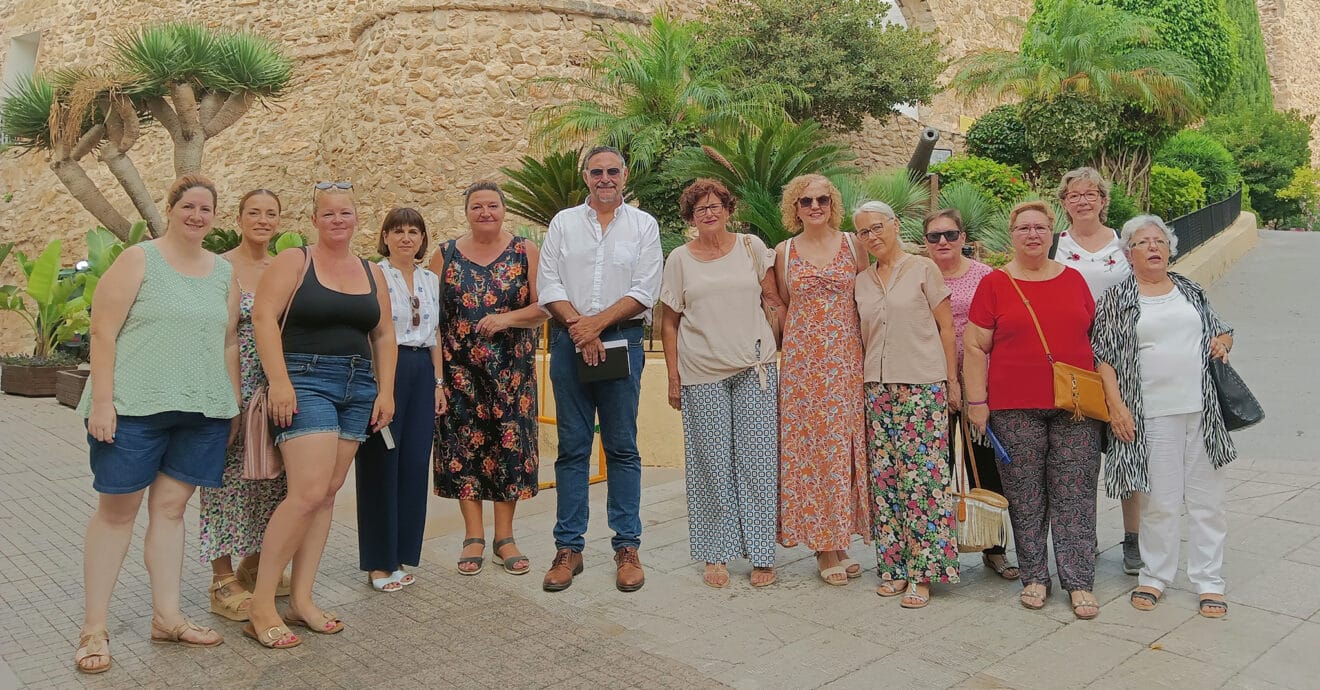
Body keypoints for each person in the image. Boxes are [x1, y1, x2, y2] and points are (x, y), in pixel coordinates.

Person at [75, 175, 239, 673]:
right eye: (188, 206)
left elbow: (228, 342)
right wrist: (103, 403)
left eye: (205, 209)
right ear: (170, 209)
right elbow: (103, 332)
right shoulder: (138, 260)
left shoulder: (222, 273)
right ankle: (94, 627)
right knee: (117, 513)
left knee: (171, 511)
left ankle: (167, 618)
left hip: (200, 412)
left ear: (214, 217)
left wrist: (230, 403)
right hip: (133, 408)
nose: (196, 215)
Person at [245, 181, 396, 648]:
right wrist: (279, 381)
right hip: (304, 379)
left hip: (358, 385)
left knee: (327, 494)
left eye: (345, 213)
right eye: (328, 213)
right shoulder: (295, 260)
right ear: (314, 220)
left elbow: (384, 334)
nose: (337, 220)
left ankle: (301, 599)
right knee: (307, 492)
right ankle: (261, 603)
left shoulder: (372, 272)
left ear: (357, 219)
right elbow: (263, 318)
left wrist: (386, 391)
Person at [963, 200, 1104, 620]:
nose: (1032, 234)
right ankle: (1035, 577)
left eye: (1040, 227)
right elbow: (975, 345)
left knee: (1076, 493)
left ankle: (1079, 581)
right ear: (1012, 235)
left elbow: (1094, 337)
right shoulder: (995, 284)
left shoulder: (1074, 280)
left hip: (1075, 406)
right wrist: (977, 402)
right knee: (1025, 496)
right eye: (1024, 228)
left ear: (1052, 233)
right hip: (1013, 406)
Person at [1092, 215, 1236, 619]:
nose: (1153, 247)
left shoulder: (1189, 289)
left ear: (1169, 249)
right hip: (1151, 415)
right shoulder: (1117, 297)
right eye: (1143, 242)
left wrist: (1223, 342)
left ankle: (1209, 581)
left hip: (1203, 412)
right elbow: (1103, 357)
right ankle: (1155, 576)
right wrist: (1116, 407)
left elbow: (1222, 330)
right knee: (1160, 502)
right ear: (1129, 254)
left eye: (1159, 241)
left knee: (1208, 502)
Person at [538, 146, 663, 593]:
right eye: (597, 171)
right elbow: (548, 283)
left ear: (624, 176)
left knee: (622, 447)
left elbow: (645, 289)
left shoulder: (643, 226)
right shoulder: (563, 223)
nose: (605, 178)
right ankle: (568, 549)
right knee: (572, 448)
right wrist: (581, 328)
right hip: (569, 342)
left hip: (622, 341)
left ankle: (627, 547)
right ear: (585, 177)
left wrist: (595, 325)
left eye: (612, 171)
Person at [660, 179, 781, 589]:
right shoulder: (679, 259)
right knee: (711, 465)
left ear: (729, 210)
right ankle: (717, 553)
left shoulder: (751, 247)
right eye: (701, 209)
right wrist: (673, 376)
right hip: (701, 372)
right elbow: (669, 322)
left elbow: (773, 300)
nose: (709, 213)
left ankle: (762, 554)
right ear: (691, 218)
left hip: (755, 367)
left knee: (758, 463)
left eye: (716, 206)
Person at [430, 182, 546, 576]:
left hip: (511, 375)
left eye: (492, 205)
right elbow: (431, 318)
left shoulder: (525, 251)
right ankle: (473, 536)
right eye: (477, 206)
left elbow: (544, 306)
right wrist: (438, 380)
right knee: (464, 451)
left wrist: (506, 319)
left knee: (508, 450)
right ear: (466, 212)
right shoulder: (445, 254)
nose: (485, 212)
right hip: (459, 374)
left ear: (503, 209)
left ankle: (505, 537)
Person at [852, 201, 960, 608]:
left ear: (895, 225)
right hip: (876, 387)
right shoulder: (861, 281)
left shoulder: (923, 268)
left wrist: (952, 382)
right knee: (885, 480)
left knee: (923, 480)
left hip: (921, 384)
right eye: (864, 232)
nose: (872, 236)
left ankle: (924, 573)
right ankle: (895, 567)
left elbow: (947, 328)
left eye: (877, 227)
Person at [198, 189, 291, 621]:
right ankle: (222, 578)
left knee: (270, 476)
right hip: (230, 382)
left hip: (276, 387)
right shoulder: (220, 267)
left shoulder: (282, 268)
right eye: (254, 212)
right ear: (238, 219)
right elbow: (218, 332)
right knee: (223, 478)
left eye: (270, 213)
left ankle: (254, 564)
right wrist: (227, 395)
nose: (262, 220)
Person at [774, 173, 870, 586]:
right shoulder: (784, 252)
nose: (815, 207)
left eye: (822, 200)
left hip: (845, 363)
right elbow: (782, 304)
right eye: (806, 201)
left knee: (841, 450)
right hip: (802, 368)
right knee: (811, 451)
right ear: (794, 208)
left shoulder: (853, 244)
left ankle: (838, 539)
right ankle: (823, 546)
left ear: (833, 205)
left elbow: (867, 298)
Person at [1055, 166, 1142, 575]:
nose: (1083, 201)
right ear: (1064, 202)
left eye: (1091, 194)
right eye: (1074, 195)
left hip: (1123, 358)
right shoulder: (1055, 245)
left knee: (1127, 448)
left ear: (1104, 200)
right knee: (1080, 455)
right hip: (1072, 359)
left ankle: (1133, 537)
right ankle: (1082, 536)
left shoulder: (1124, 244)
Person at [923, 209, 1018, 581]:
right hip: (932, 379)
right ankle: (941, 550)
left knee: (985, 464)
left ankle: (994, 549)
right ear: (925, 242)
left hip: (979, 381)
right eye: (934, 236)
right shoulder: (920, 273)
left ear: (963, 238)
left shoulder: (985, 276)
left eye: (950, 234)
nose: (943, 242)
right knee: (938, 466)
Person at [356, 208, 442, 592]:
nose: (406, 238)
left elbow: (435, 334)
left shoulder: (430, 280)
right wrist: (380, 386)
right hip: (385, 370)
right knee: (381, 464)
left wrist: (438, 383)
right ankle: (379, 561)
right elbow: (372, 331)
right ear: (386, 236)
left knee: (414, 464)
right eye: (398, 231)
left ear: (422, 239)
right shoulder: (374, 274)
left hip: (422, 371)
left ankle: (402, 554)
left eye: (413, 231)